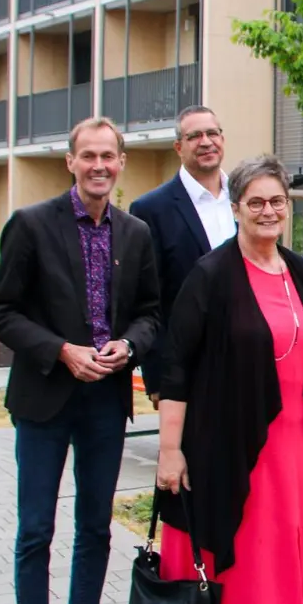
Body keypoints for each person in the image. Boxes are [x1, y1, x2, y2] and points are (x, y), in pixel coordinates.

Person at [152, 156, 303, 604]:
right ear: (234, 208)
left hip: (290, 443)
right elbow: (178, 366)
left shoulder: (299, 270)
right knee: (223, 544)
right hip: (224, 441)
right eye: (254, 202)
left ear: (288, 207)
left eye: (276, 201)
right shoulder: (211, 275)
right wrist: (170, 449)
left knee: (263, 553)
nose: (267, 211)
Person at [0, 118, 160, 604]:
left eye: (108, 156)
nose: (99, 166)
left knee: (95, 527)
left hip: (106, 400)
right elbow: (2, 312)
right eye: (89, 156)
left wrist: (129, 345)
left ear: (122, 162)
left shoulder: (135, 233)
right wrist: (60, 351)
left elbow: (151, 313)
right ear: (70, 162)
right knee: (36, 528)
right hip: (44, 399)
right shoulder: (32, 225)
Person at [129, 106, 235, 407]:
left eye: (212, 133)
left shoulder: (246, 197)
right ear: (179, 147)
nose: (206, 142)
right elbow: (147, 298)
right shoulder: (151, 209)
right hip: (185, 366)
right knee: (187, 454)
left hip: (247, 358)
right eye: (194, 136)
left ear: (222, 140)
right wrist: (157, 375)